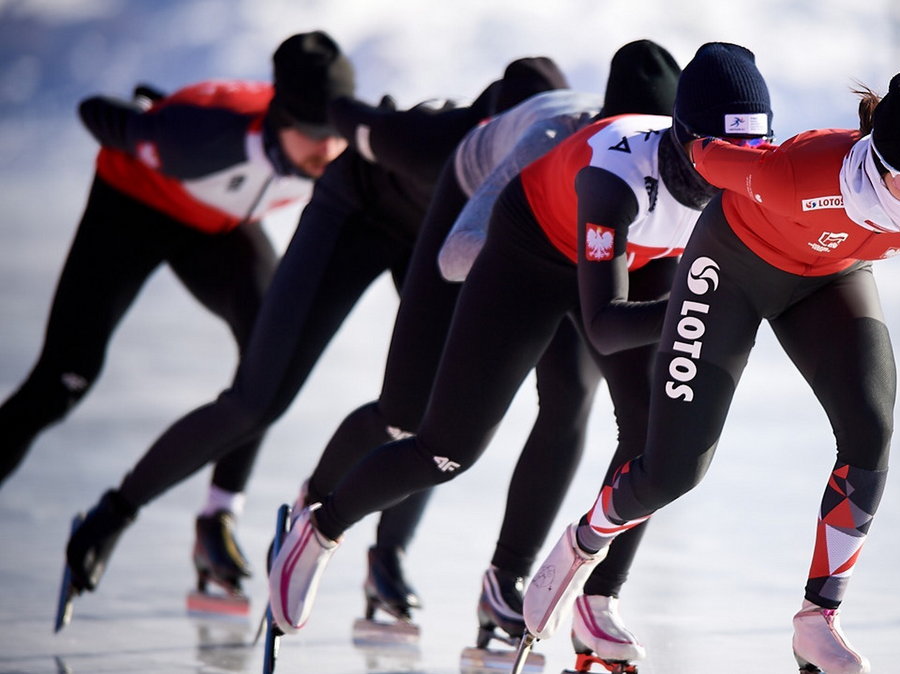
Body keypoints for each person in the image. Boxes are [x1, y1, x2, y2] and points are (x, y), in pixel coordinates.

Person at [267, 42, 773, 669]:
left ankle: (595, 599)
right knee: (443, 446)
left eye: (753, 153)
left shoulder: (750, 178)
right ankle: (322, 527)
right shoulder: (607, 171)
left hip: (631, 257)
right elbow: (606, 325)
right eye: (720, 153)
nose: (737, 170)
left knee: (643, 435)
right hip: (526, 244)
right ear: (680, 137)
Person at [57, 56, 569, 611]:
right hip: (355, 213)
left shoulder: (556, 169)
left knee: (429, 417)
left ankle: (387, 557)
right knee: (256, 401)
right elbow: (346, 114)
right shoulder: (435, 140)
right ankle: (115, 511)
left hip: (438, 242)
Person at [520, 72, 900, 674]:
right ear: (876, 162)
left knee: (871, 427)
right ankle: (583, 543)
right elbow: (701, 153)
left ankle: (818, 620)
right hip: (730, 268)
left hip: (830, 276)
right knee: (674, 471)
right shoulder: (793, 173)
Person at [0, 29, 353, 592]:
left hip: (217, 230)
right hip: (132, 208)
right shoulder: (203, 135)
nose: (327, 151)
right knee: (64, 380)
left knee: (268, 352)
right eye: (313, 135)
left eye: (334, 135)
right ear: (278, 119)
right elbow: (93, 110)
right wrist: (148, 126)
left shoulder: (337, 152)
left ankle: (217, 517)